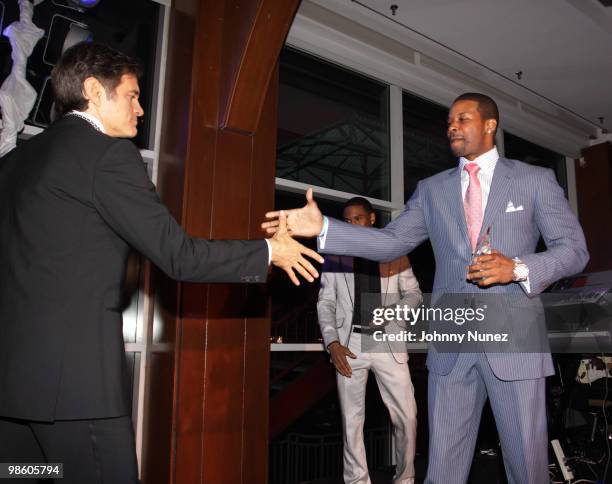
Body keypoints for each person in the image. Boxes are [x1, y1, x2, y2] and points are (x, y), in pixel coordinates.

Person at [0, 42, 323, 484]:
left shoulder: (15, 161)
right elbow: (180, 256)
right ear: (95, 91)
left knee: (28, 474)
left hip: (11, 385)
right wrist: (271, 251)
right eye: (132, 95)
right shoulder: (106, 155)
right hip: (74, 390)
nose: (141, 109)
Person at [263, 93, 589, 484]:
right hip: (451, 344)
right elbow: (391, 243)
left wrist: (518, 267)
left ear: (489, 125)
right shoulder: (432, 190)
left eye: (463, 119)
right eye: (449, 120)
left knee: (526, 468)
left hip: (514, 340)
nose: (452, 126)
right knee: (443, 469)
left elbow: (574, 251)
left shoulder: (533, 181)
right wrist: (325, 230)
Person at [317, 197, 421, 484]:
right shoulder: (335, 255)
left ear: (372, 219)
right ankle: (357, 481)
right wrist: (332, 343)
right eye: (347, 221)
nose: (352, 225)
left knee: (407, 418)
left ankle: (405, 479)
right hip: (350, 346)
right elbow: (325, 303)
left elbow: (414, 294)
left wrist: (391, 312)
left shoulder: (394, 252)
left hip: (388, 344)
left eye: (358, 219)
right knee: (352, 421)